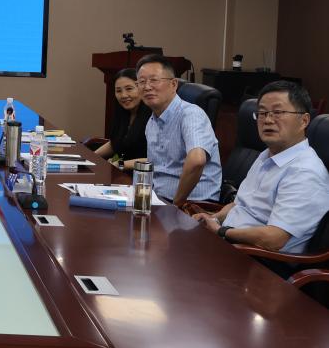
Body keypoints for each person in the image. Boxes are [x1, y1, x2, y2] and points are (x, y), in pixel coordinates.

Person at [193, 81, 329, 253]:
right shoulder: (266, 155)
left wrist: (222, 231)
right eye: (262, 113)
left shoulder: (304, 172)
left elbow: (274, 239)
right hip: (229, 243)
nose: (268, 120)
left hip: (260, 259)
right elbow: (239, 205)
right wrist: (212, 219)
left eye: (278, 112)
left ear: (304, 121)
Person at [137, 54, 221, 205]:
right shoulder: (152, 121)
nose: (147, 87)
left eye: (154, 80)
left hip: (193, 205)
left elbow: (197, 160)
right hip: (159, 200)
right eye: (142, 82)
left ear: (173, 84)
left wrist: (176, 204)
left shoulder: (191, 114)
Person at [95, 68, 149, 169]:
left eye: (129, 89)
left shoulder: (153, 116)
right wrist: (91, 157)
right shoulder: (123, 113)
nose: (123, 95)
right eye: (118, 91)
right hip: (121, 171)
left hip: (142, 175)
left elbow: (157, 159)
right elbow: (115, 143)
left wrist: (121, 164)